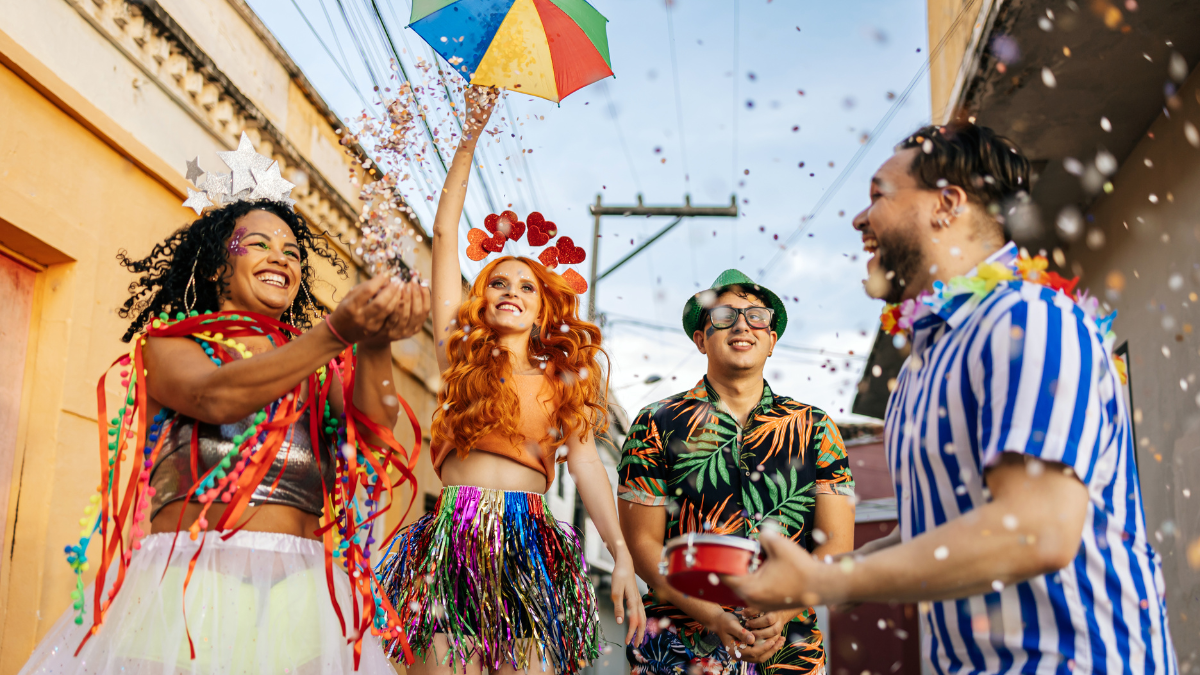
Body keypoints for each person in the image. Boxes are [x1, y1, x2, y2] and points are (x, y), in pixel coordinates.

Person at [725, 123, 1178, 674]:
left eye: (878, 196)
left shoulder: (1031, 320)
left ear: (947, 203)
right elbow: (930, 532)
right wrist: (821, 581)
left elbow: (1036, 531)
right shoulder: (924, 363)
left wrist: (828, 578)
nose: (860, 219)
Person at [17, 140, 431, 674]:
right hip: (189, 584)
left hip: (302, 594)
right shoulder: (168, 345)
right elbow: (213, 396)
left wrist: (375, 343)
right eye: (258, 244)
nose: (281, 257)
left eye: (292, 252)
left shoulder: (318, 363)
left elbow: (375, 426)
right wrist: (334, 334)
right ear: (217, 268)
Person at [374, 86, 646, 675]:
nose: (512, 293)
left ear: (544, 307)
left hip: (528, 542)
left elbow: (590, 467)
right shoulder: (459, 353)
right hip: (452, 536)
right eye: (499, 282)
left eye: (527, 287)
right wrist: (469, 137)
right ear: (482, 297)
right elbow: (446, 236)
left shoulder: (562, 380)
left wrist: (621, 553)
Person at [617, 269, 856, 675]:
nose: (743, 324)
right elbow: (643, 544)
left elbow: (836, 548)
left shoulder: (816, 427)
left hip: (789, 647)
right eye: (725, 315)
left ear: (772, 341)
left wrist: (783, 610)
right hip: (679, 647)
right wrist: (712, 615)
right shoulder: (655, 422)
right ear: (700, 338)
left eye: (757, 316)